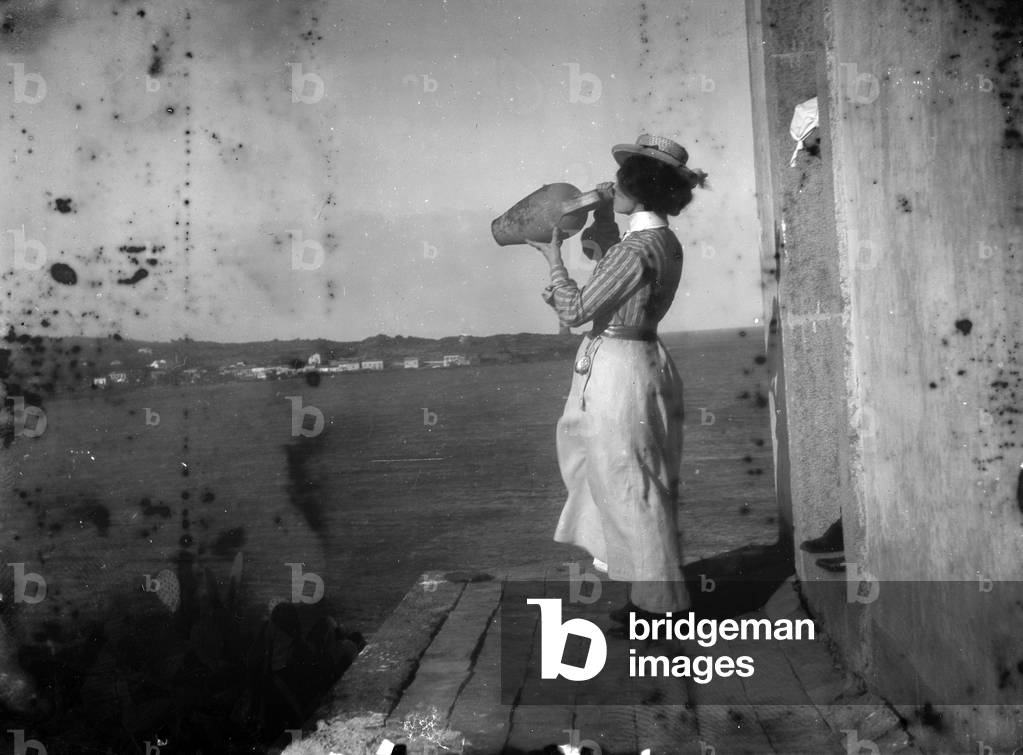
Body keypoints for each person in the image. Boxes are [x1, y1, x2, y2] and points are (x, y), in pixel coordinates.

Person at [528, 134, 707, 622]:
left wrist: (554, 262)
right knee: (635, 483)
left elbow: (577, 311)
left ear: (637, 189)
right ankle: (650, 599)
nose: (612, 186)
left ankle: (661, 612)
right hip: (643, 361)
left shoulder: (636, 249)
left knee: (629, 487)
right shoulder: (661, 241)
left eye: (620, 182)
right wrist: (606, 214)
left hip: (619, 374)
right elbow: (611, 263)